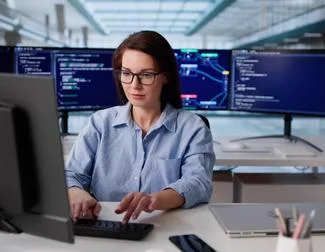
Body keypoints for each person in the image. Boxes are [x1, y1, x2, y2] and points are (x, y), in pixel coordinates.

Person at [65, 30, 215, 223]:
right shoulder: (100, 123)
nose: (134, 85)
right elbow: (71, 175)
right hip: (104, 224)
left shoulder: (192, 127)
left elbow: (198, 183)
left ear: (166, 76)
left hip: (164, 226)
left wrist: (155, 199)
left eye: (146, 75)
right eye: (126, 73)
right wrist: (76, 193)